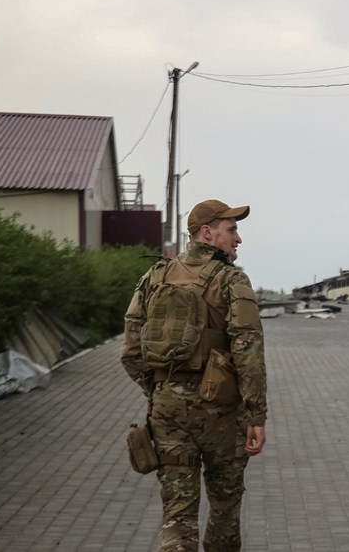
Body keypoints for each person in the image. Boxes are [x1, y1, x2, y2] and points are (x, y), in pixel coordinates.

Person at [121, 199, 268, 552]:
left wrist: (159, 390)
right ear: (207, 232)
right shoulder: (233, 279)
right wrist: (255, 415)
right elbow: (248, 350)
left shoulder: (154, 277)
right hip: (220, 411)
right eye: (231, 230)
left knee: (177, 513)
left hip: (166, 410)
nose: (238, 238)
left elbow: (130, 351)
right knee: (224, 507)